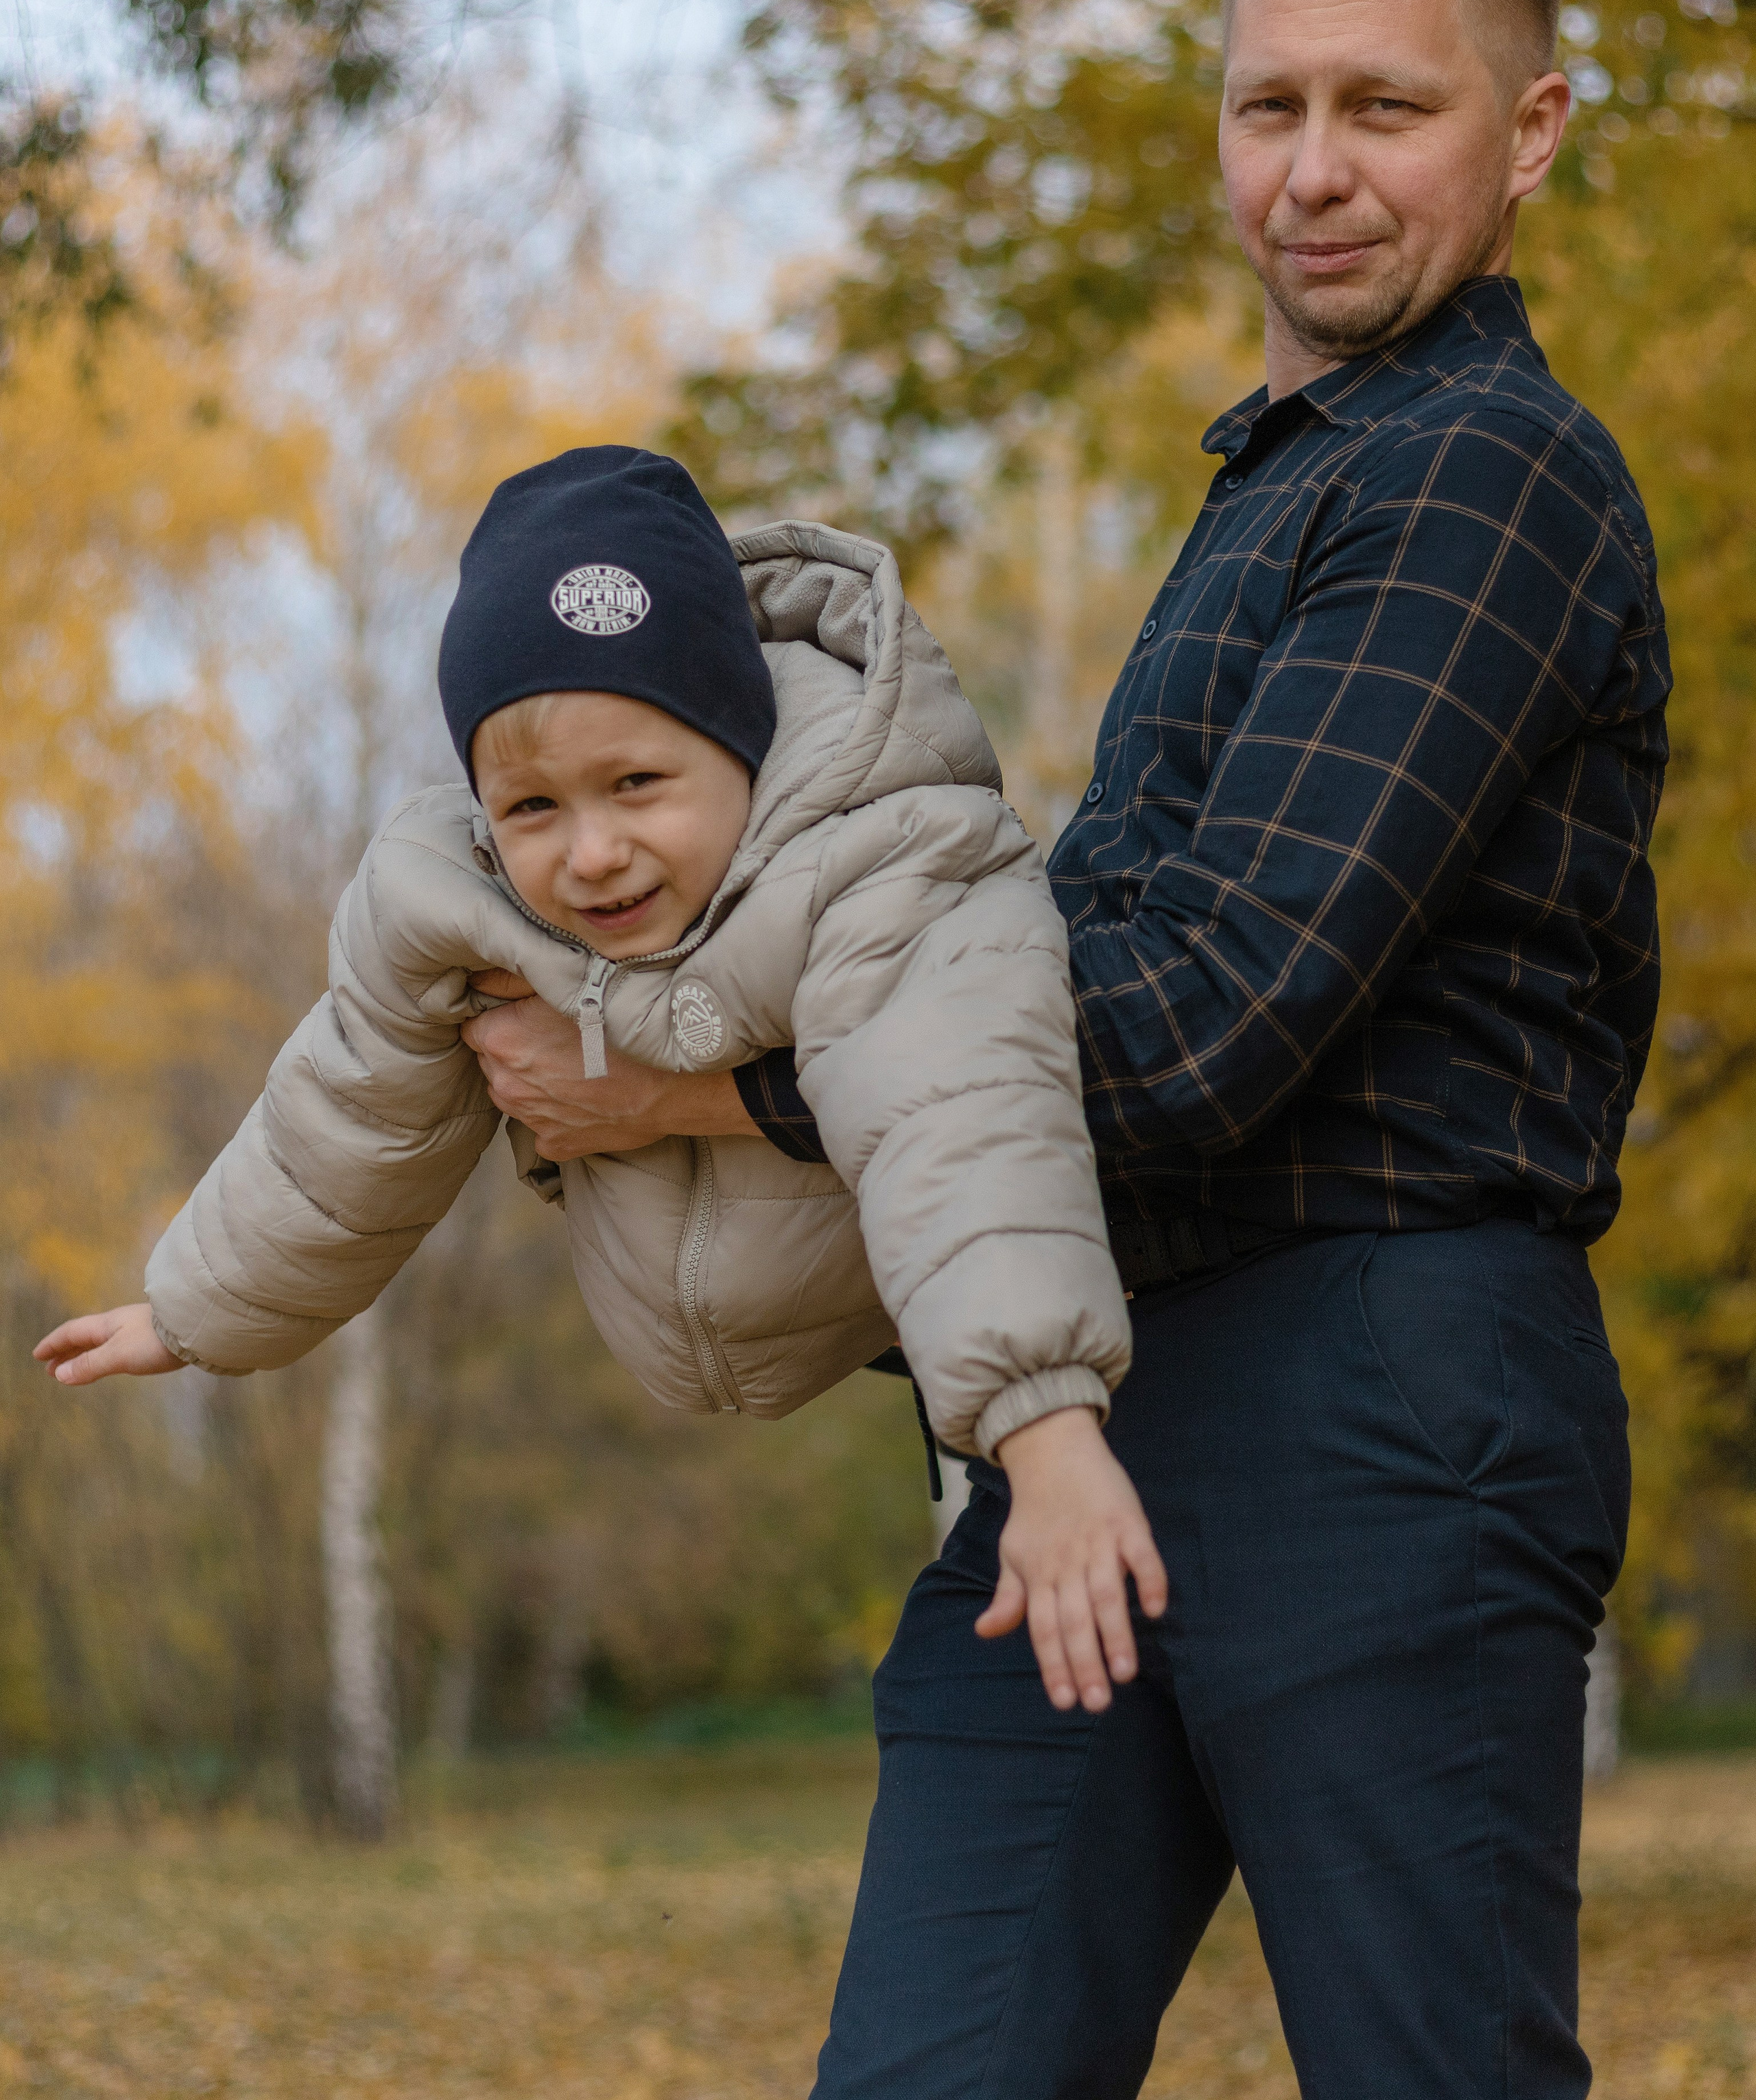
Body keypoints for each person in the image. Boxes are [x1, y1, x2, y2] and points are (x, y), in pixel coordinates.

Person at [435, 0, 1672, 2099]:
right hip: (1099, 1417)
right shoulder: (1277, 494)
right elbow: (1020, 975)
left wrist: (692, 1087)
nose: (1312, 166)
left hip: (1386, 1399)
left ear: (1530, 129)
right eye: (1269, 102)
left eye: (1386, 107)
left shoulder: (1484, 473)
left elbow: (1204, 1017)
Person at [36, 449, 1153, 1671]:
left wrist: (1043, 1434)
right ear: (479, 806)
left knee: (933, 1092)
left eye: (638, 784)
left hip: (949, 1312)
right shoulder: (446, 898)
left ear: (742, 737)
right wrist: (196, 1309)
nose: (593, 852)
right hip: (708, 1325)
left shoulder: (883, 854)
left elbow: (963, 1125)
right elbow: (349, 1115)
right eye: (533, 808)